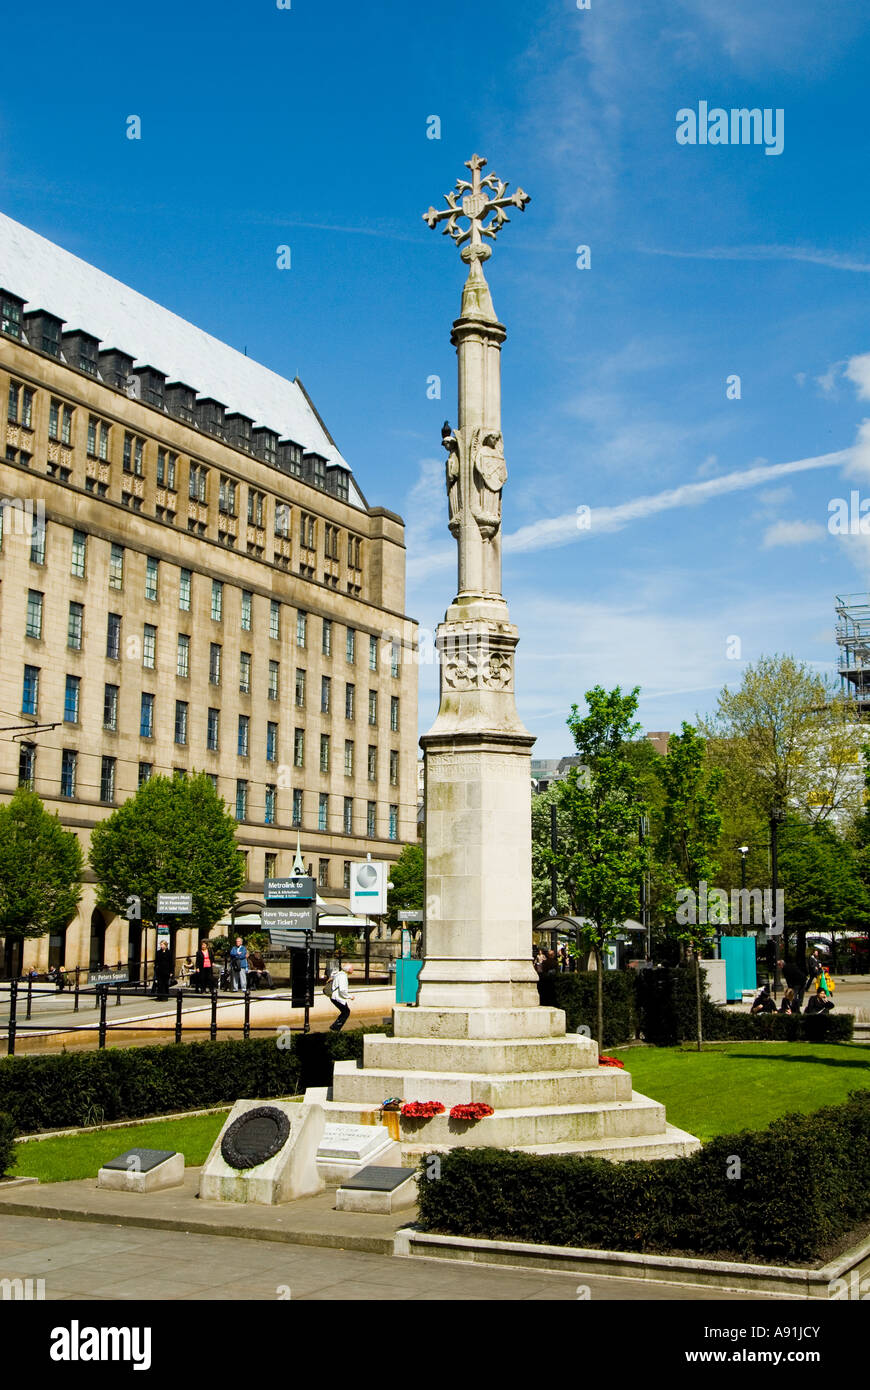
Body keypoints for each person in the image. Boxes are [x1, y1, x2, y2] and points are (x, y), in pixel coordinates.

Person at [327, 962, 354, 1031]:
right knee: (346, 1012)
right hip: (337, 998)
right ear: (348, 970)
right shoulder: (343, 976)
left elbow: (333, 976)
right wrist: (350, 996)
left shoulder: (340, 973)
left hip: (335, 997)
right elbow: (342, 990)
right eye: (352, 968)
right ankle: (335, 1028)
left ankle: (335, 1027)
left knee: (345, 1012)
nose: (353, 969)